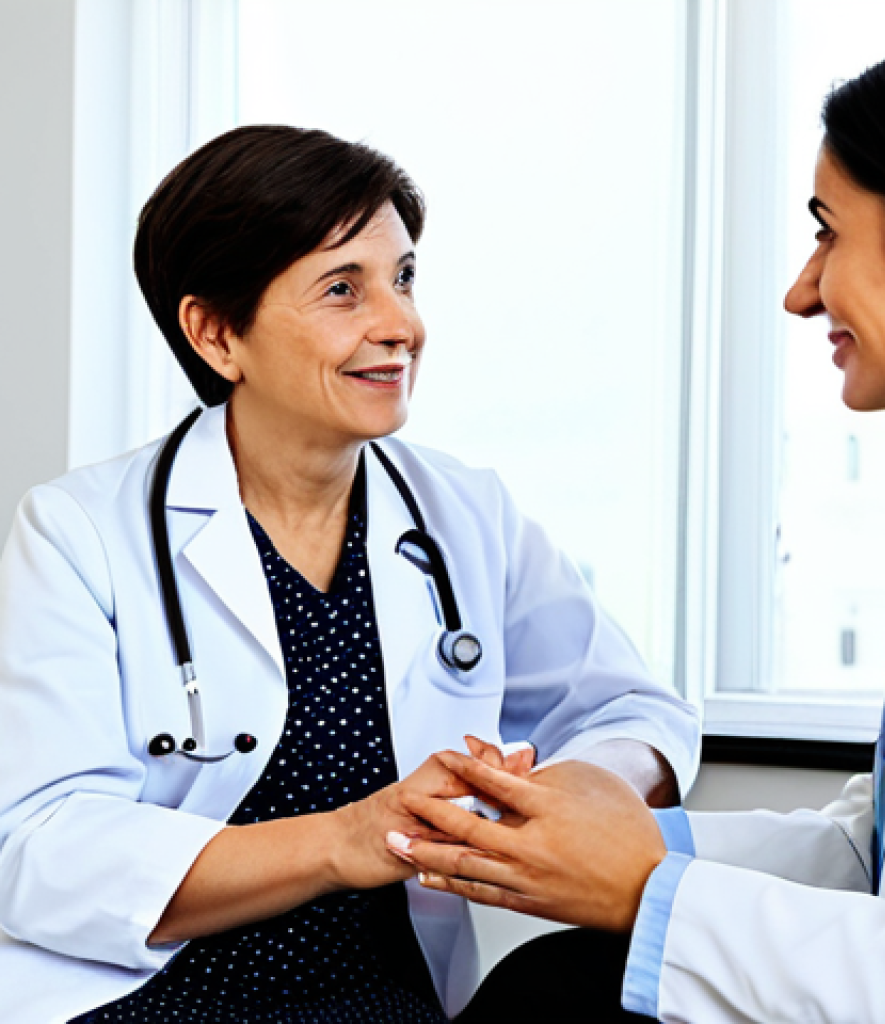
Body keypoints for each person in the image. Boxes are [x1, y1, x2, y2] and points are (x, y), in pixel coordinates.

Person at [392, 22, 885, 1024]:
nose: (800, 290)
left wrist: (641, 887)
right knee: (551, 984)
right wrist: (646, 844)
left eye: (827, 230)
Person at [0, 125, 700, 1024]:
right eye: (343, 289)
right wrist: (346, 840)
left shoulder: (464, 514)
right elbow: (38, 845)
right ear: (215, 333)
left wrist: (552, 793)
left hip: (386, 1000)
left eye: (404, 278)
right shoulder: (80, 531)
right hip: (146, 997)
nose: (401, 325)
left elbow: (638, 713)